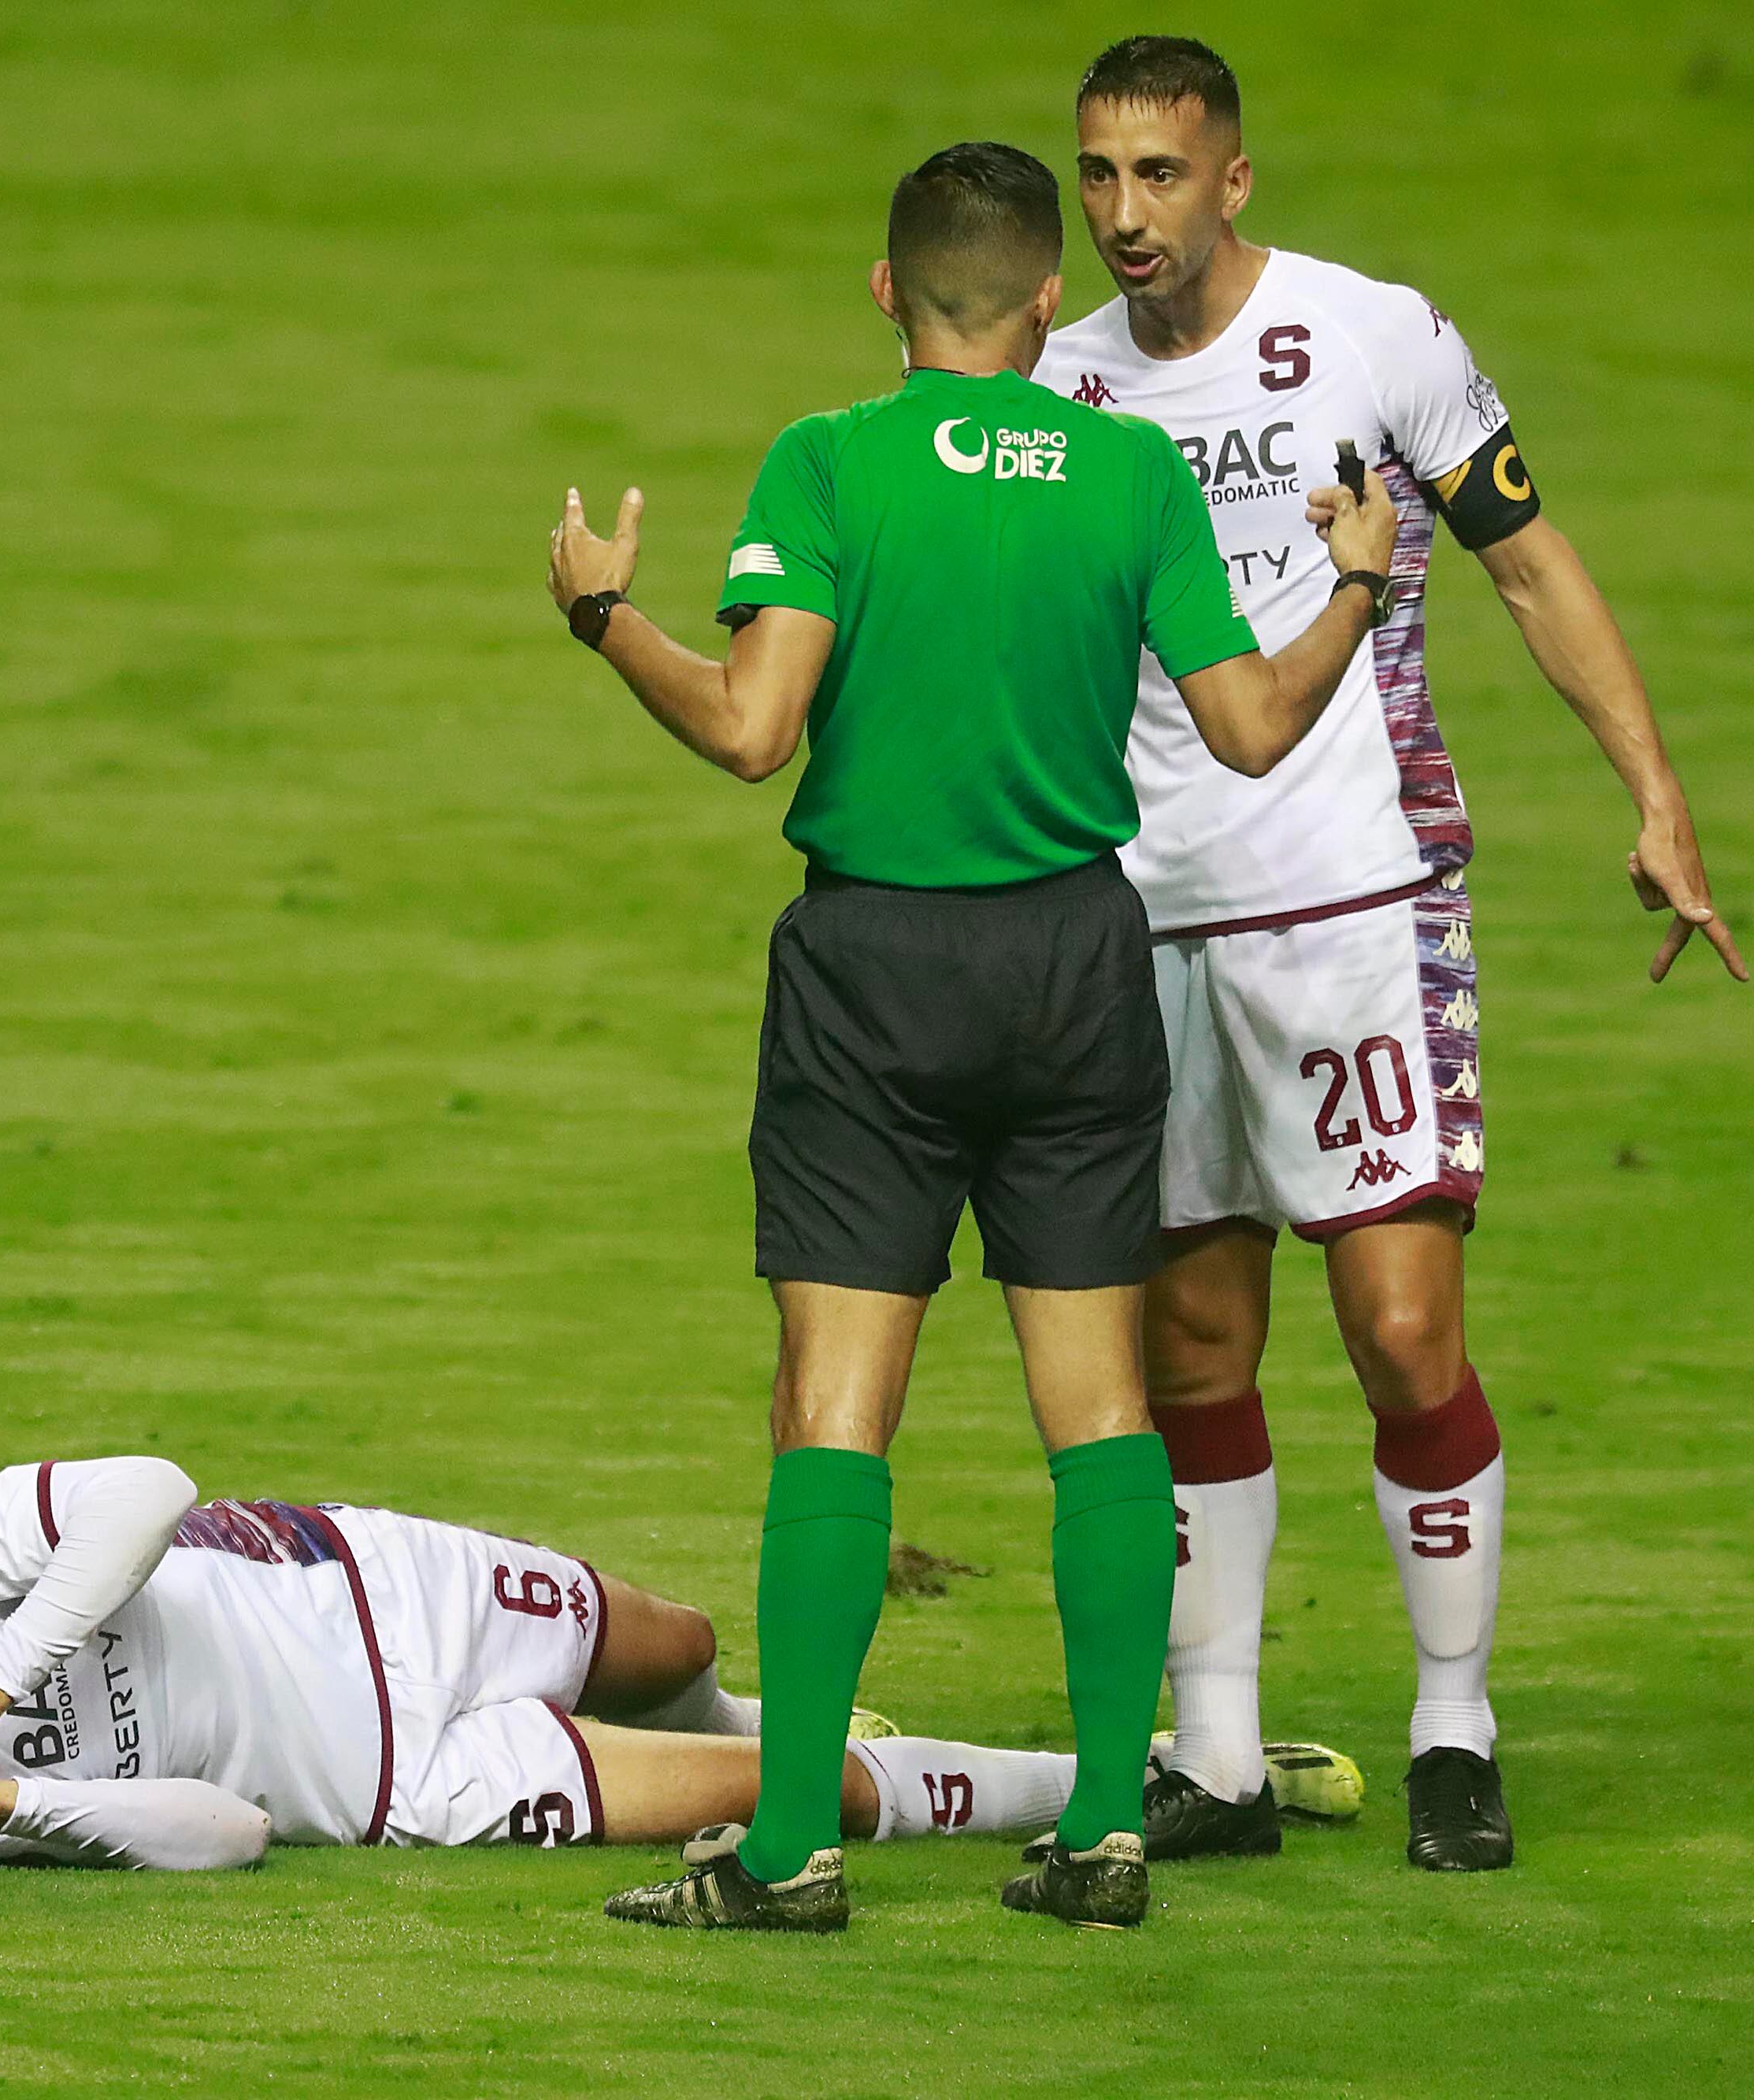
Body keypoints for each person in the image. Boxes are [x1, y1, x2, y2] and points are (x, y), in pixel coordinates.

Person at [543, 142, 1397, 1930]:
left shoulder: (828, 460)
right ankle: (1102, 1825)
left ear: (882, 294)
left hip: (875, 975)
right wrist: (1351, 591)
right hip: (1078, 963)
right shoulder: (1130, 467)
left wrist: (602, 616)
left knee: (833, 1412)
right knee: (1096, 1407)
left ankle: (786, 1851)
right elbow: (1248, 732)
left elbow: (750, 731)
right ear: (1040, 305)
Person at [1029, 35, 1747, 1872]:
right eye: (1097, 176)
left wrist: (1652, 796)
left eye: (1159, 176)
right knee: (1192, 1333)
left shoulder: (1374, 336)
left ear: (1233, 178)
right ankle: (1219, 1754)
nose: (1123, 215)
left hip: (1356, 895)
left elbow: (1525, 560)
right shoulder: (1052, 385)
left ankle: (1451, 1721)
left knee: (1402, 1327)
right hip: (1144, 915)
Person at [0, 1454, 1359, 1880]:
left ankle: (753, 1704)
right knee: (813, 1788)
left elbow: (144, 1493)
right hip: (406, 1784)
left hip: (379, 1586)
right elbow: (229, 1831)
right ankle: (1155, 1774)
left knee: (682, 1646)